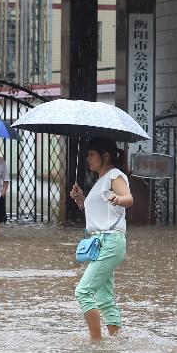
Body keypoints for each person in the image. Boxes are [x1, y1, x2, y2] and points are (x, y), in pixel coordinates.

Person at [69, 137, 134, 341]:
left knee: (83, 292)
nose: (88, 159)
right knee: (104, 297)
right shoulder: (100, 180)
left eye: (91, 155)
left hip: (110, 241)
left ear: (105, 156)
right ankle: (117, 338)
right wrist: (81, 199)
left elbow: (129, 199)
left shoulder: (115, 175)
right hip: (101, 243)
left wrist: (119, 198)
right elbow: (99, 213)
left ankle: (96, 342)